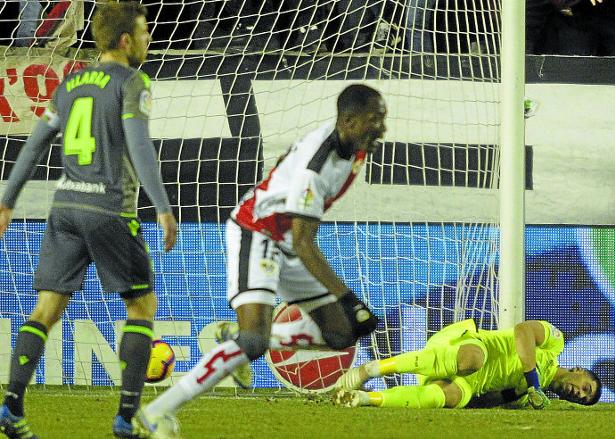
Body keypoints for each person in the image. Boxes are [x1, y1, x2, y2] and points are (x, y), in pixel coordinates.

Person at [140, 84, 386, 434]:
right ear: (348, 121)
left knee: (340, 333)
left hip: (287, 240)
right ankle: (157, 412)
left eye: (383, 120)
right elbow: (304, 242)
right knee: (252, 341)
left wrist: (347, 310)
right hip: (257, 232)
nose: (381, 128)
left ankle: (241, 337)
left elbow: (299, 239)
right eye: (374, 120)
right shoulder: (315, 170)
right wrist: (348, 298)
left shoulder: (356, 150)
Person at [0, 2, 177, 439]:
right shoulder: (133, 82)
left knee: (46, 307)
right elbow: (138, 146)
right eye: (144, 32)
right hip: (110, 209)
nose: (148, 40)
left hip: (65, 209)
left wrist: (6, 201)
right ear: (124, 40)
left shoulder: (71, 83)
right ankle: (125, 417)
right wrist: (162, 205)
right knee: (142, 307)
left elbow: (34, 145)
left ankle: (11, 406)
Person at [333, 319, 602, 409]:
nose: (579, 394)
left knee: (450, 396)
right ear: (579, 370)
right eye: (586, 388)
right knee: (473, 359)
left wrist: (468, 399)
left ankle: (364, 398)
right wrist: (533, 380)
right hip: (470, 346)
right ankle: (370, 370)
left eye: (582, 399)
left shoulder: (530, 398)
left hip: (473, 381)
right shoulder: (555, 344)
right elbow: (523, 331)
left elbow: (490, 399)